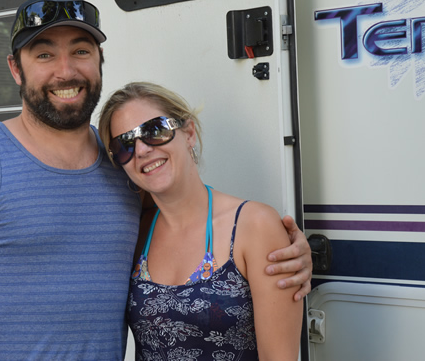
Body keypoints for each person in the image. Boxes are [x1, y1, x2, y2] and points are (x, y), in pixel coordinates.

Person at [0, 0, 311, 360]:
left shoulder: (124, 165)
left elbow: (188, 221)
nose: (66, 71)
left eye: (80, 51)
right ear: (15, 68)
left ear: (99, 61)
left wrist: (287, 251)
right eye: (44, 55)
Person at [98, 82, 303, 360]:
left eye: (155, 130)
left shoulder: (254, 225)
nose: (143, 150)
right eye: (125, 145)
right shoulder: (135, 231)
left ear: (189, 133)